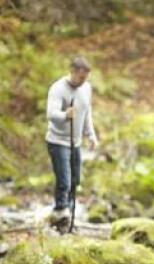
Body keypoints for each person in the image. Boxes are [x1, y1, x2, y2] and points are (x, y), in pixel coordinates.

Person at [45, 56, 99, 223]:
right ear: (73, 72)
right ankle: (60, 211)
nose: (83, 81)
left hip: (75, 142)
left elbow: (86, 113)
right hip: (58, 141)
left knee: (75, 180)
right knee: (64, 180)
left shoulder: (86, 88)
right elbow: (51, 114)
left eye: (86, 78)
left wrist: (91, 135)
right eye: (81, 78)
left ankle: (69, 215)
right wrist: (65, 115)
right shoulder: (58, 88)